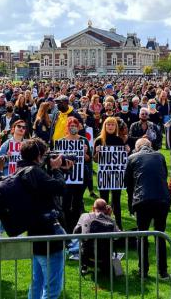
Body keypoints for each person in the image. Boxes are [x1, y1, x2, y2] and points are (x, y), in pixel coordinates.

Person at [15, 137, 73, 299]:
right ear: (39, 155)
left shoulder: (22, 171)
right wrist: (56, 170)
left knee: (37, 281)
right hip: (49, 234)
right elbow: (59, 188)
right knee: (52, 287)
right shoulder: (34, 172)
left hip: (35, 233)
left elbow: (45, 189)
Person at [124, 138, 171, 279]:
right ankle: (163, 272)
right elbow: (164, 175)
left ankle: (143, 271)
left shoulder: (132, 158)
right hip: (162, 199)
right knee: (160, 235)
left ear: (137, 148)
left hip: (143, 200)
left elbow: (128, 184)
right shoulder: (160, 156)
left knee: (142, 236)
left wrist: (131, 206)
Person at [57, 117, 91, 234]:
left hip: (80, 177)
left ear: (79, 127)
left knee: (77, 203)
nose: (73, 128)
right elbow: (57, 160)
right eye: (71, 126)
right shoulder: (61, 141)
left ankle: (76, 230)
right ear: (67, 127)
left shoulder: (84, 140)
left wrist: (85, 152)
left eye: (75, 126)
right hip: (66, 177)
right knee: (65, 204)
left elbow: (88, 159)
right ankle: (66, 229)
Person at [72, 198, 120, 275]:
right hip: (105, 257)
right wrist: (109, 216)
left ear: (93, 208)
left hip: (88, 255)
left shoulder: (85, 216)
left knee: (83, 242)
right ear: (106, 208)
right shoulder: (111, 220)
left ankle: (84, 266)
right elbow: (117, 236)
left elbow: (75, 233)